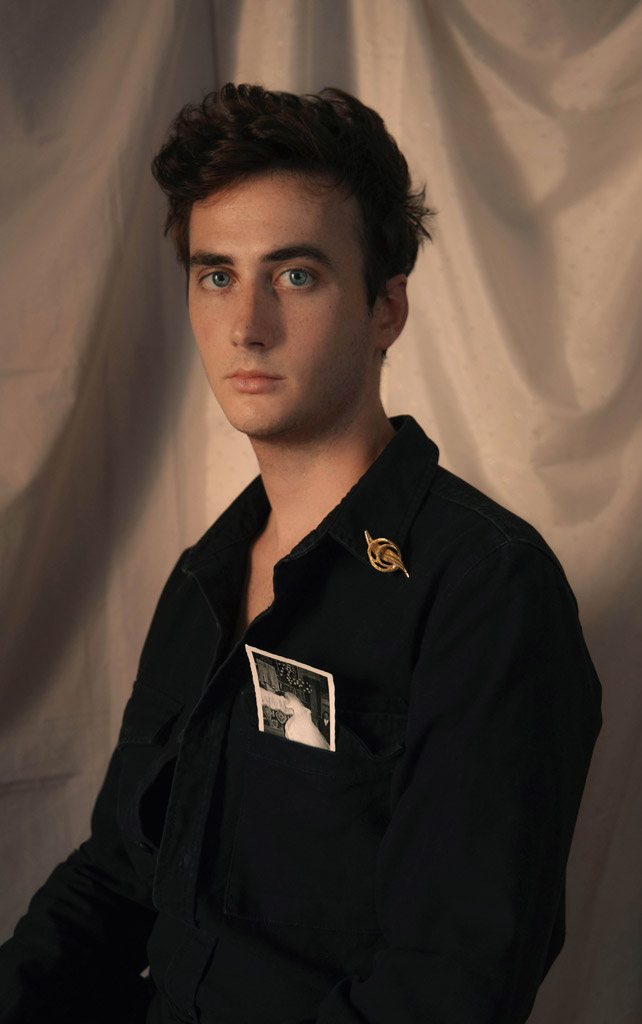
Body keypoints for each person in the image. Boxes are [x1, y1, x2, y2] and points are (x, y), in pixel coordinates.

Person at [0, 83, 602, 1024]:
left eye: (295, 276)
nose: (246, 324)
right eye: (216, 276)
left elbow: (447, 987)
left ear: (386, 309)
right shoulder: (204, 575)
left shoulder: (486, 589)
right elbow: (119, 875)